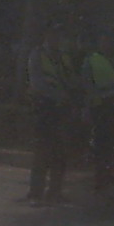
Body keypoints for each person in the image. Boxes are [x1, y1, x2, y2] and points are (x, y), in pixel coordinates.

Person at [23, 25, 76, 205]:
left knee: (60, 152)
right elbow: (37, 83)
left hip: (62, 109)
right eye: (52, 34)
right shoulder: (37, 55)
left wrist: (70, 97)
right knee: (42, 151)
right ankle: (35, 193)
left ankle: (55, 191)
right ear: (46, 35)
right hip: (44, 107)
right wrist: (59, 96)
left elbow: (70, 79)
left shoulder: (64, 56)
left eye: (58, 35)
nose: (56, 38)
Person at [81, 30, 114, 201]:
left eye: (111, 41)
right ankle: (101, 185)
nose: (108, 44)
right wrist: (90, 106)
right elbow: (87, 87)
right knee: (103, 149)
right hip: (102, 109)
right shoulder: (92, 60)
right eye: (104, 41)